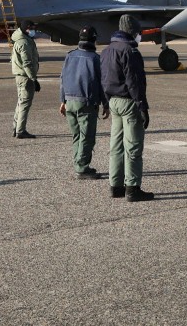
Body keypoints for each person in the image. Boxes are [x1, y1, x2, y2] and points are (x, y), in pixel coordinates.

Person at [100, 14, 153, 202]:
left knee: (116, 146)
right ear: (132, 32)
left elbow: (103, 80)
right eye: (138, 32)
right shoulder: (130, 52)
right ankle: (133, 188)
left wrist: (106, 102)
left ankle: (115, 186)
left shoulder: (107, 51)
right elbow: (135, 81)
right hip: (129, 103)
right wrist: (142, 106)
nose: (140, 36)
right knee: (133, 147)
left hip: (113, 102)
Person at [59, 26, 109, 180]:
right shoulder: (95, 58)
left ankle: (79, 164)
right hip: (86, 102)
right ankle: (82, 168)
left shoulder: (70, 55)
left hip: (69, 101)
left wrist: (62, 100)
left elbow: (62, 79)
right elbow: (101, 83)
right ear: (94, 39)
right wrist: (105, 104)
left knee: (76, 135)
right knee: (87, 136)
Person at [11, 20, 40, 138]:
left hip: (21, 76)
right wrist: (34, 79)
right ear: (27, 28)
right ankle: (21, 131)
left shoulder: (21, 39)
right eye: (32, 28)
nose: (34, 31)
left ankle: (16, 127)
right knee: (25, 104)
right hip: (26, 77)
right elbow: (27, 63)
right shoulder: (24, 43)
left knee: (20, 102)